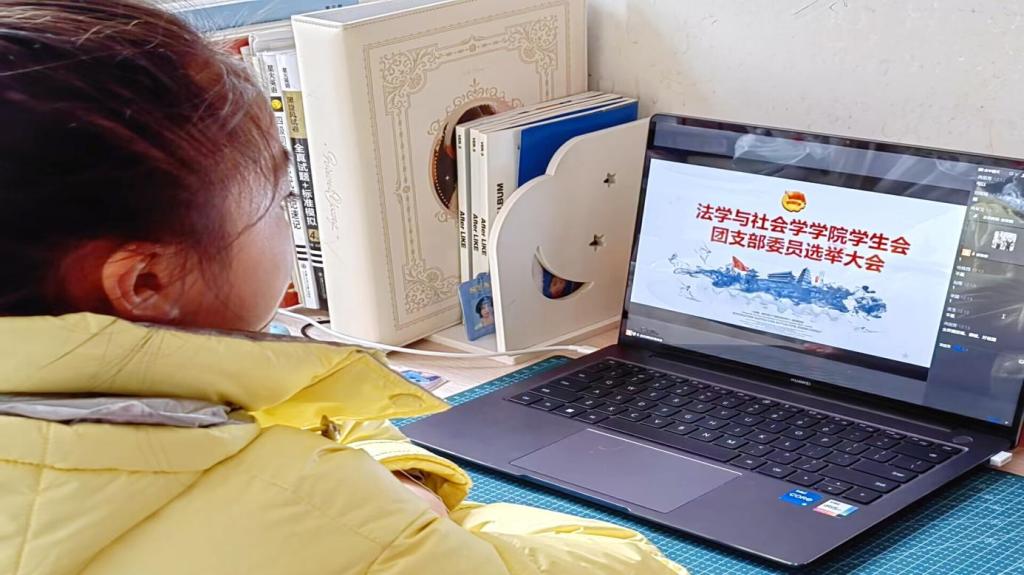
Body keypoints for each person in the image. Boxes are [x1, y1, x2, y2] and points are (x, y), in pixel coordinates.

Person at [0, 2, 685, 574]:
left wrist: (395, 477)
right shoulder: (317, 518)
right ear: (148, 281)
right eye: (280, 198)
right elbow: (639, 567)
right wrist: (420, 517)